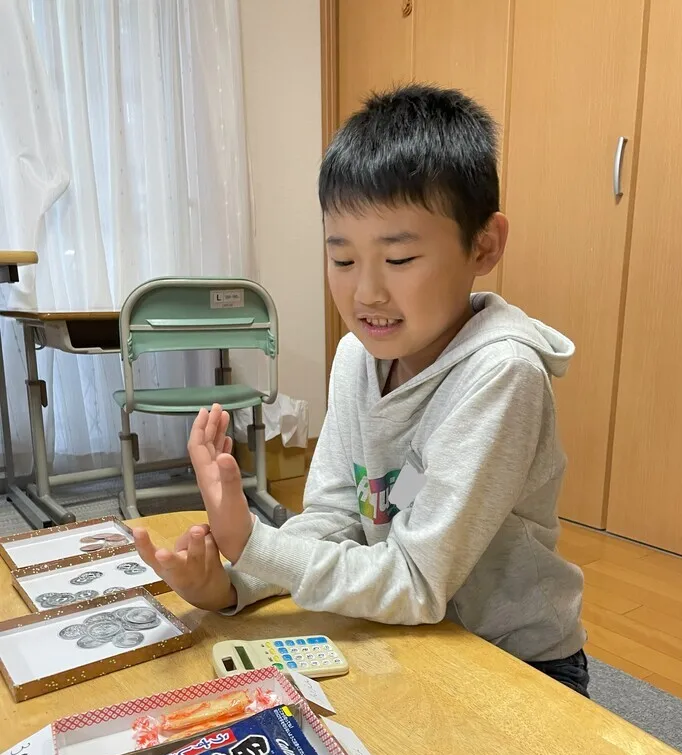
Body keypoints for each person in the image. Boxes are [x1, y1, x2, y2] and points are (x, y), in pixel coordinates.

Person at [133, 84, 589, 697]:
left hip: (515, 664)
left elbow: (415, 579)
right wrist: (233, 581)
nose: (366, 294)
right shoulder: (358, 355)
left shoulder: (501, 374)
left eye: (399, 260)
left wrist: (255, 543)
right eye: (342, 260)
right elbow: (335, 518)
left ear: (484, 245)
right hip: (407, 633)